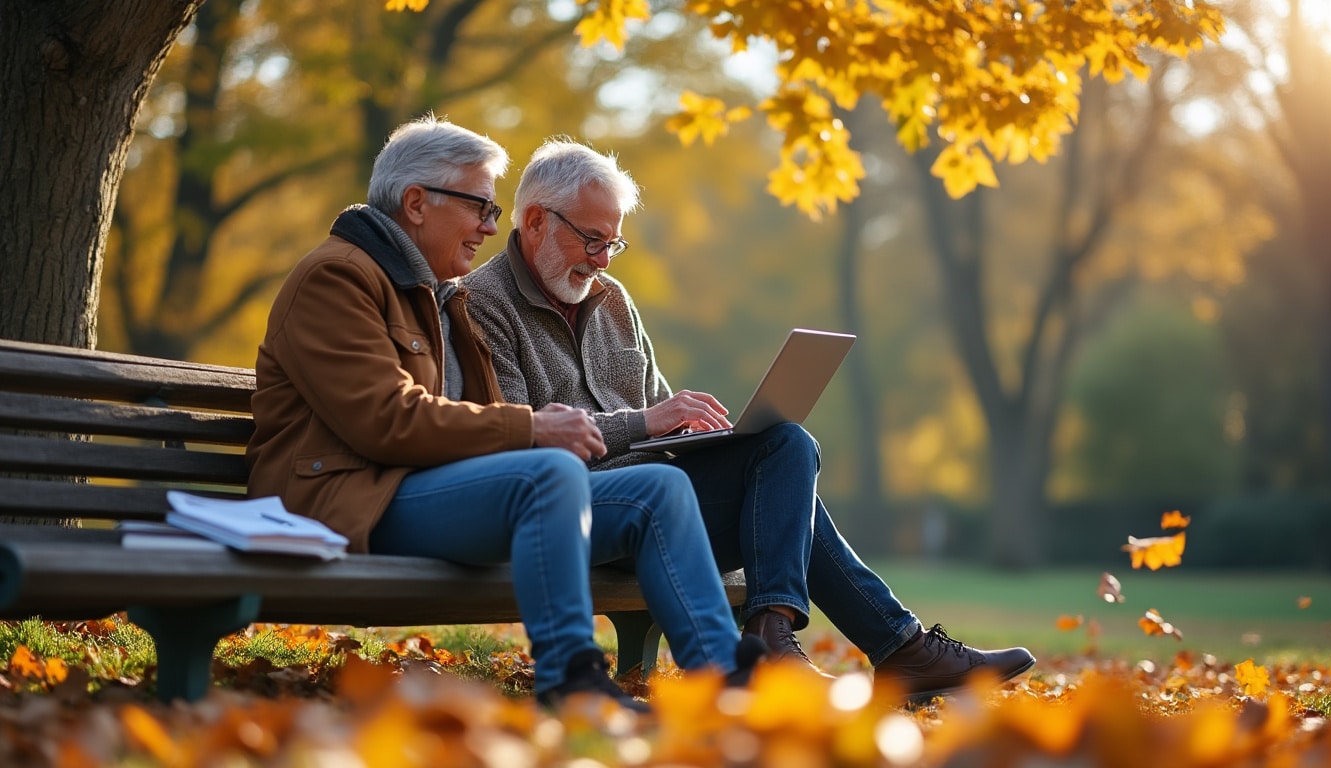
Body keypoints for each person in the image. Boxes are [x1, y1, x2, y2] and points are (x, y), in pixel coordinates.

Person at [461, 137, 1036, 701]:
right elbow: (521, 440)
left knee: (784, 445)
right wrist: (644, 423)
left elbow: (659, 413)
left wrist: (703, 433)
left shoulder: (611, 299)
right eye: (592, 239)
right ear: (535, 221)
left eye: (614, 244)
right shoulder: (480, 303)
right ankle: (889, 648)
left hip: (666, 498)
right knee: (779, 484)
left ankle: (782, 634)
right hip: (584, 514)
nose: (604, 260)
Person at [245, 116, 764, 714]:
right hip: (348, 500)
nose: (492, 227)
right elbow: (385, 421)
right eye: (479, 207)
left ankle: (725, 684)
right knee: (551, 472)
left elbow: (467, 417)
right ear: (416, 203)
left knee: (660, 488)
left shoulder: (436, 291)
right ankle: (571, 677)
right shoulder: (338, 277)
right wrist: (534, 428)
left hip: (419, 489)